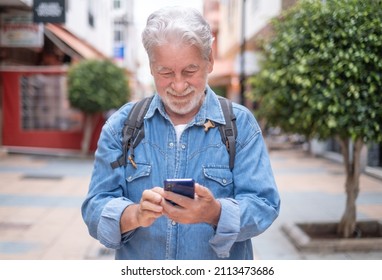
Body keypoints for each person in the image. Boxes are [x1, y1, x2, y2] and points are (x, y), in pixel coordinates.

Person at [81, 6, 280, 260]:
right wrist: (135, 215)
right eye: (165, 73)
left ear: (209, 62)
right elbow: (94, 207)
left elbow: (265, 204)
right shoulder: (121, 125)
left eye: (189, 71)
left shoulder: (240, 124)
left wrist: (215, 212)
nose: (178, 85)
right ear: (151, 68)